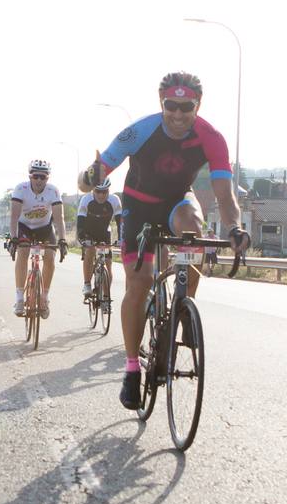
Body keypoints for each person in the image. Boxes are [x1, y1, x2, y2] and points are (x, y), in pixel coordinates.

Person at [80, 71, 251, 410]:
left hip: (177, 201)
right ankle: (131, 369)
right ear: (161, 103)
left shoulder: (211, 137)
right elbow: (90, 179)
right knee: (138, 283)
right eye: (170, 105)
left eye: (185, 107)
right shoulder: (139, 131)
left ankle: (183, 306)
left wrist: (234, 227)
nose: (177, 114)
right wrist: (90, 176)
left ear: (197, 105)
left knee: (193, 228)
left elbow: (225, 194)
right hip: (138, 207)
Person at [9, 159, 66, 317]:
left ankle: (44, 298)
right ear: (30, 176)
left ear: (48, 178)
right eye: (36, 176)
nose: (39, 180)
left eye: (43, 177)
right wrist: (14, 238)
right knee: (23, 252)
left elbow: (59, 218)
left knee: (50, 257)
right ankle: (20, 298)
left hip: (44, 228)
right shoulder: (21, 189)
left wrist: (62, 239)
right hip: (24, 227)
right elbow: (14, 217)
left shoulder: (53, 191)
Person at [74, 178, 123, 299]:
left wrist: (122, 238)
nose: (101, 195)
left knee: (108, 263)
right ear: (93, 190)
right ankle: (87, 284)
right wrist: (82, 238)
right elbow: (80, 222)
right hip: (88, 232)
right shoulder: (86, 199)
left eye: (104, 192)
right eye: (98, 191)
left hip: (105, 232)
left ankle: (106, 297)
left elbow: (120, 222)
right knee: (90, 251)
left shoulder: (114, 200)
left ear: (108, 191)